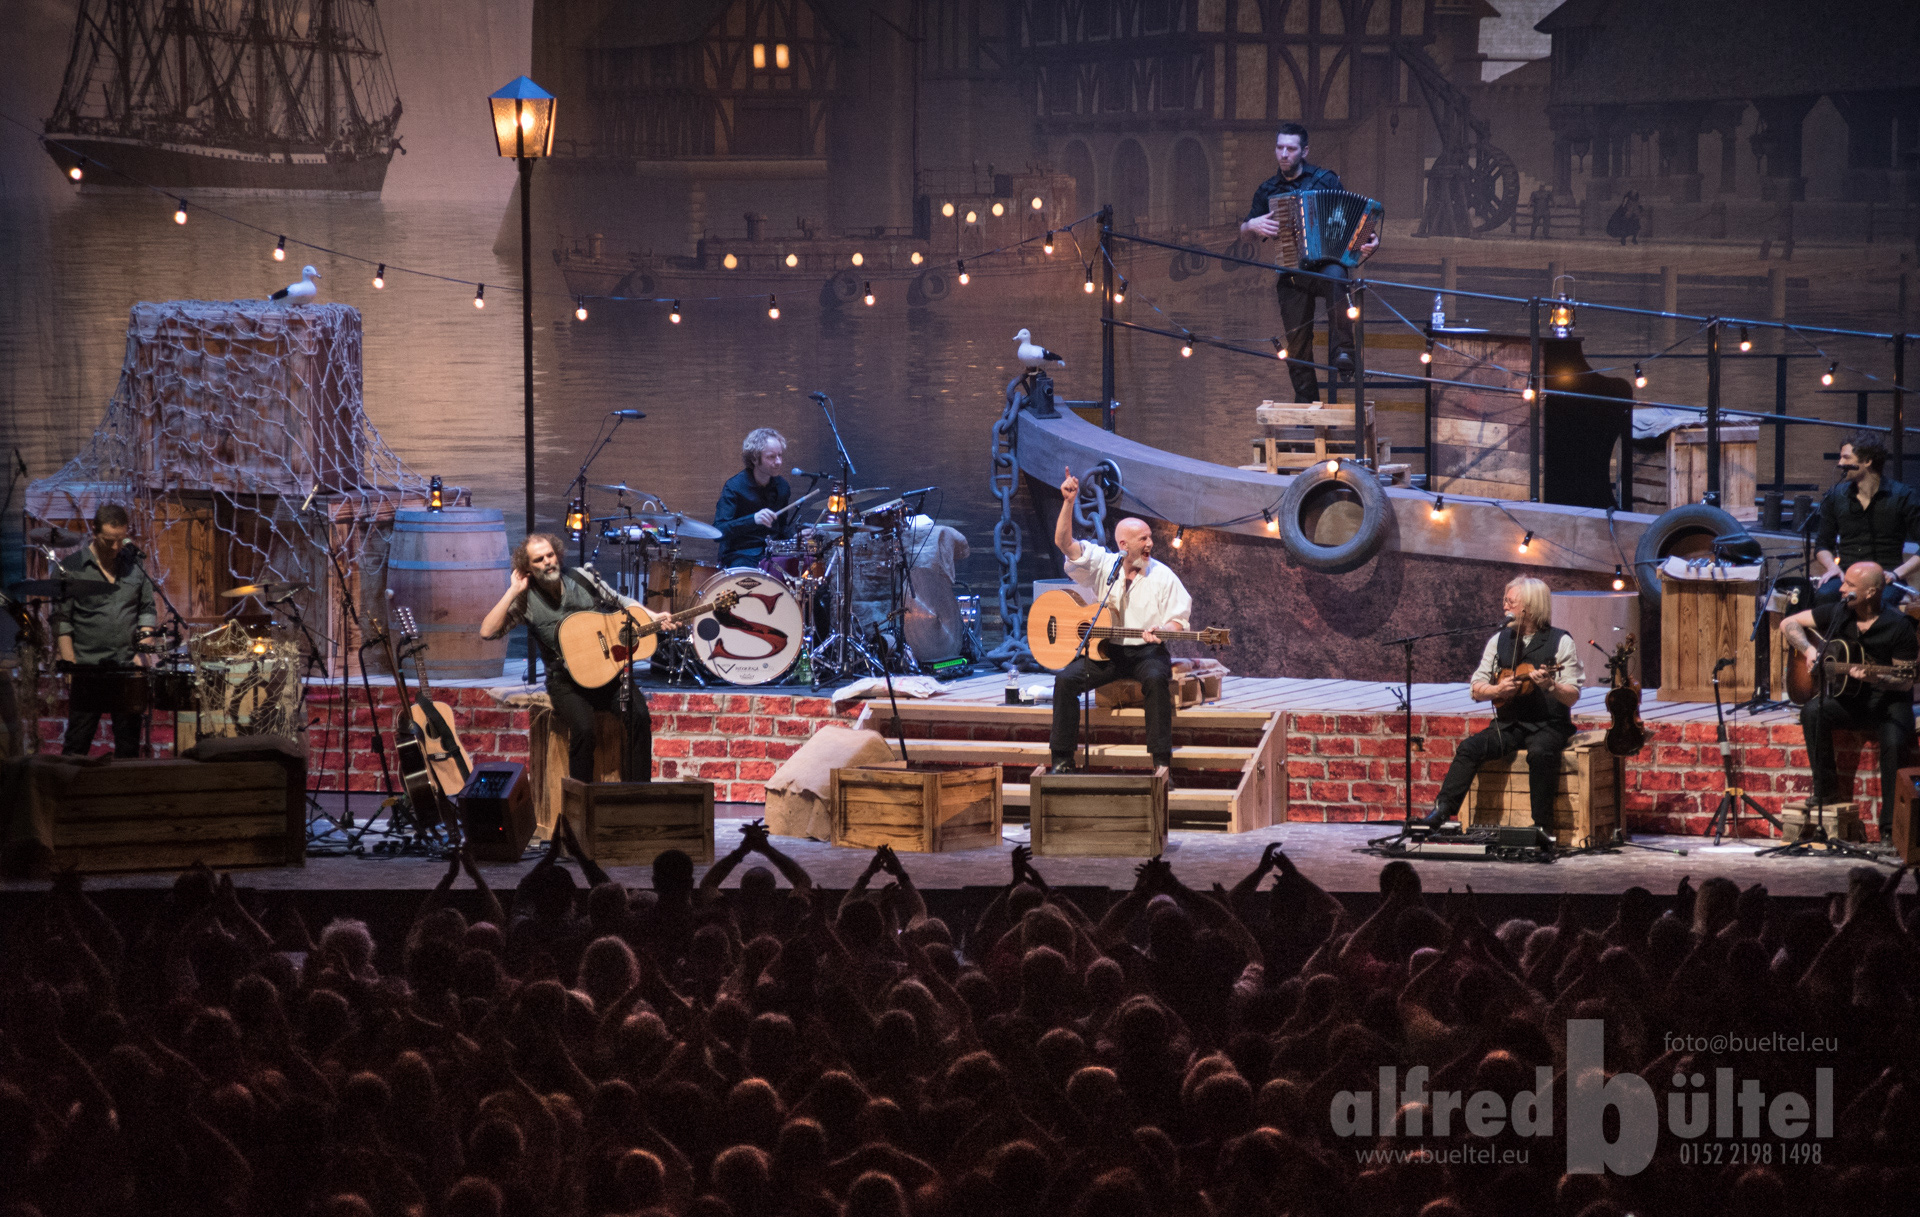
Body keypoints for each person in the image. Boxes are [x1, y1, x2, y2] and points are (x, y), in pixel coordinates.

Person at [1048, 467, 1191, 781]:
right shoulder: (1102, 564)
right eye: (1143, 539)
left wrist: (1164, 631)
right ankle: (1061, 759)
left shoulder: (1163, 575)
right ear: (1124, 545)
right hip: (1106, 651)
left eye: (1150, 537)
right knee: (1066, 681)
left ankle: (1161, 764)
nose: (1150, 543)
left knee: (1156, 681)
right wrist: (1069, 502)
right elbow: (1064, 543)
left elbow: (1178, 621)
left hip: (1146, 653)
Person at [1419, 576, 1584, 842]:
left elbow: (1572, 695)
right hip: (1509, 724)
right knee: (1470, 748)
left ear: (1529, 607)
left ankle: (1542, 828)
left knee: (1540, 753)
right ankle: (1441, 812)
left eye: (1510, 602)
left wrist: (1551, 686)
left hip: (1548, 724)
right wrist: (1496, 691)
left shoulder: (1560, 641)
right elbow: (1476, 687)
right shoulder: (1498, 640)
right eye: (1505, 600)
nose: (1504, 606)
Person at [480, 532, 651, 784]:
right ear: (527, 568)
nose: (547, 562)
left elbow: (622, 602)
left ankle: (640, 793)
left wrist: (651, 616)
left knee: (639, 716)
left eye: (550, 555)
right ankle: (580, 798)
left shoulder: (581, 577)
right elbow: (487, 632)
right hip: (566, 683)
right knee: (584, 729)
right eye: (539, 559)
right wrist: (513, 590)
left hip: (607, 675)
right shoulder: (525, 599)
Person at [1239, 122, 1379, 404]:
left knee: (1337, 275)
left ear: (1304, 151)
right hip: (1292, 271)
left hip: (1326, 265)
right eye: (1280, 147)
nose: (1284, 154)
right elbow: (1245, 233)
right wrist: (1251, 225)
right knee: (1297, 344)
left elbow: (1356, 219)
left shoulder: (1326, 181)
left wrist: (1370, 239)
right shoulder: (1268, 190)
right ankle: (1306, 404)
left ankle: (1344, 353)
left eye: (1290, 149)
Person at [1781, 560, 1917, 846]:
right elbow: (1788, 623)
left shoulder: (1898, 625)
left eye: (1850, 585)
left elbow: (1906, 680)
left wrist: (1877, 678)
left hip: (1889, 703)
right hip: (1851, 699)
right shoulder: (1839, 612)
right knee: (1812, 712)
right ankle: (1826, 792)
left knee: (1894, 743)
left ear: (1870, 592)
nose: (1841, 588)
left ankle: (1890, 829)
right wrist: (1808, 650)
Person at [54, 502, 157, 757]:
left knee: (128, 747)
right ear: (94, 532)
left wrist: (143, 649)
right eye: (109, 540)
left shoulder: (135, 564)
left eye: (120, 540)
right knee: (77, 744)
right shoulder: (72, 567)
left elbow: (147, 608)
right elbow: (62, 619)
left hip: (127, 666)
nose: (115, 547)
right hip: (88, 667)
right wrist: (70, 663)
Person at [1810, 435, 1920, 605]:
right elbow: (1822, 544)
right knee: (1825, 596)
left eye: (1846, 457)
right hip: (1846, 574)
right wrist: (1833, 567)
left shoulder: (1903, 495)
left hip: (1885, 576)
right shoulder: (1836, 495)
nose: (1840, 463)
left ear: (1867, 461)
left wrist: (1896, 574)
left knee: (1876, 601)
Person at [714, 427, 796, 569]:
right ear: (754, 459)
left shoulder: (782, 487)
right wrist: (753, 519)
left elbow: (781, 527)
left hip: (772, 554)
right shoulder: (734, 487)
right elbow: (718, 531)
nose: (778, 462)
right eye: (771, 457)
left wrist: (796, 536)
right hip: (741, 555)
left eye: (780, 455)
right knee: (743, 571)